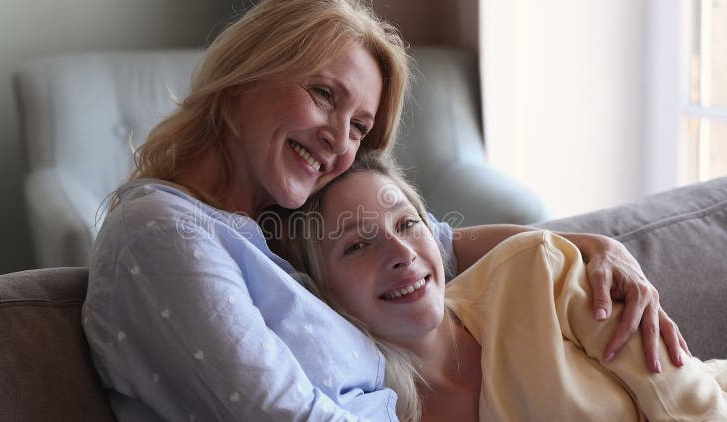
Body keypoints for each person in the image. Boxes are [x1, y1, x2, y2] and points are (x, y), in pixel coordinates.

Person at [83, 0, 688, 420]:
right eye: (324, 95)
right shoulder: (163, 231)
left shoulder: (272, 227)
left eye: (359, 127)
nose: (338, 141)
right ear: (244, 80)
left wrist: (597, 246)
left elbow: (433, 248)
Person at [267, 151, 726, 421]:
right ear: (320, 292)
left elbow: (688, 400)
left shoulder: (534, 272)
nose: (401, 254)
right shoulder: (367, 408)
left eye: (407, 224)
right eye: (357, 246)